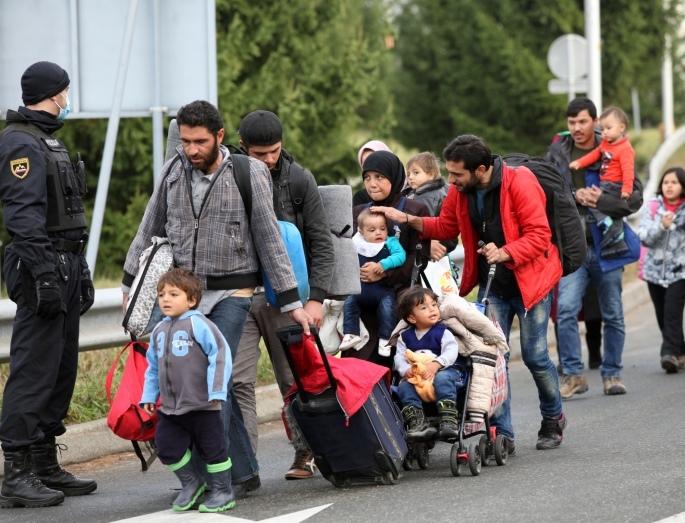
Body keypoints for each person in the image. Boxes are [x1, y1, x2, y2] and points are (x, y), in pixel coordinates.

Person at [122, 100, 312, 496]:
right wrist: (129, 285)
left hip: (233, 293)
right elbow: (149, 225)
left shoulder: (249, 172)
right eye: (186, 141)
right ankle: (242, 473)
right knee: (195, 382)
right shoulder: (173, 169)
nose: (192, 149)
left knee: (209, 381)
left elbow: (268, 236)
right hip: (186, 296)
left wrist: (292, 301)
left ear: (219, 136)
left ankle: (213, 477)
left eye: (200, 142)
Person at [374, 134, 566, 451]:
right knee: (491, 358)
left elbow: (539, 235)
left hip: (531, 282)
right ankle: (502, 434)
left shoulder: (520, 183)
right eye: (449, 173)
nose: (451, 180)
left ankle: (552, 416)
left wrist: (505, 252)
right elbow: (446, 227)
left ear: (480, 169)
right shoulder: (461, 191)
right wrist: (409, 219)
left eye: (457, 174)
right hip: (494, 285)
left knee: (535, 356)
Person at [0, 61, 96, 508]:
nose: (67, 98)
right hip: (42, 266)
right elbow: (23, 218)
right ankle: (16, 472)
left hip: (66, 263)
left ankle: (43, 461)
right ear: (54, 92)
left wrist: (81, 270)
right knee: (35, 370)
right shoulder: (20, 143)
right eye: (65, 91)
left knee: (60, 369)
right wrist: (42, 274)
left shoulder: (48, 139)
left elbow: (67, 213)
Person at [229, 110, 334, 480]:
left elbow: (321, 242)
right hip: (238, 295)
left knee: (295, 380)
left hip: (288, 300)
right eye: (260, 154)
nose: (269, 160)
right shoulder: (227, 177)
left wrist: (316, 298)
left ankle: (306, 452)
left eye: (275, 151)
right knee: (237, 382)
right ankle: (244, 465)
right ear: (242, 147)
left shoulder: (299, 180)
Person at [546, 98, 643, 398]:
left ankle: (612, 374)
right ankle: (574, 374)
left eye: (583, 121)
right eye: (571, 122)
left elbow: (634, 198)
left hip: (608, 246)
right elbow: (546, 193)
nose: (577, 128)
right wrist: (574, 196)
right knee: (565, 311)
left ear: (595, 121)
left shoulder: (614, 146)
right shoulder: (557, 152)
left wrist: (601, 200)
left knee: (612, 313)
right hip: (573, 248)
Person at [141, 269, 235, 513]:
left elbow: (220, 355)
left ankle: (223, 491)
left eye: (174, 294)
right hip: (171, 408)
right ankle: (192, 483)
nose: (166, 299)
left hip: (203, 405)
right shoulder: (159, 331)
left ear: (191, 300)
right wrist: (149, 395)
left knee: (213, 450)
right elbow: (153, 367)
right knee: (165, 445)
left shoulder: (199, 324)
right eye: (161, 294)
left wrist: (217, 390)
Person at [344, 150, 430, 367]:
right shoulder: (359, 212)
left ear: (394, 177)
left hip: (399, 299)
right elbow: (348, 252)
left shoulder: (414, 210)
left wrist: (383, 273)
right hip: (362, 299)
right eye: (367, 178)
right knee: (358, 368)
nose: (372, 184)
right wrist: (361, 274)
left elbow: (419, 259)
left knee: (399, 366)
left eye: (379, 177)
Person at [394, 287, 464, 441]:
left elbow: (451, 351)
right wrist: (405, 370)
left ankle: (448, 419)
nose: (432, 309)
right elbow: (399, 357)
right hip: (419, 377)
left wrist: (437, 363)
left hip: (445, 372)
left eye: (433, 305)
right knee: (404, 386)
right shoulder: (404, 337)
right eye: (424, 308)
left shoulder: (443, 332)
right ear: (412, 318)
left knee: (442, 378)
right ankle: (417, 421)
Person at [569, 106, 635, 257]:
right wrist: (580, 163)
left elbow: (628, 171)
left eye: (608, 128)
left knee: (600, 204)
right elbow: (594, 155)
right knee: (591, 201)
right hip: (604, 183)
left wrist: (626, 189)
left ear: (621, 128)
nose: (604, 132)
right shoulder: (606, 144)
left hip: (616, 185)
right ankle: (609, 227)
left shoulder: (625, 149)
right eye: (602, 129)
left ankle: (613, 230)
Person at [638, 167, 685, 374]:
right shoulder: (653, 207)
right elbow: (644, 237)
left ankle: (669, 354)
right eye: (666, 182)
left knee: (672, 312)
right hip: (654, 272)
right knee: (662, 315)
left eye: (674, 182)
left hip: (680, 272)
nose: (669, 186)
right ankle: (680, 350)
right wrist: (662, 226)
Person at [340, 209, 406, 352]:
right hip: (358, 289)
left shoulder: (390, 242)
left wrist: (383, 265)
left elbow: (401, 256)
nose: (378, 233)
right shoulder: (355, 242)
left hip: (382, 290)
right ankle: (351, 333)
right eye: (372, 230)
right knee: (349, 304)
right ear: (361, 231)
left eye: (382, 229)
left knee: (387, 309)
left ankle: (385, 339)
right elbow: (345, 260)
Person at [403, 151, 456, 261]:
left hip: (431, 251)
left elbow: (421, 226)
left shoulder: (425, 197)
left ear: (431, 174)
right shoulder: (445, 189)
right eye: (408, 174)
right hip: (444, 248)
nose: (410, 177)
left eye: (416, 173)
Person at [353, 140, 393, 207]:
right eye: (365, 162)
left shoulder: (409, 190)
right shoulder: (361, 198)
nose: (370, 165)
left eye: (374, 160)